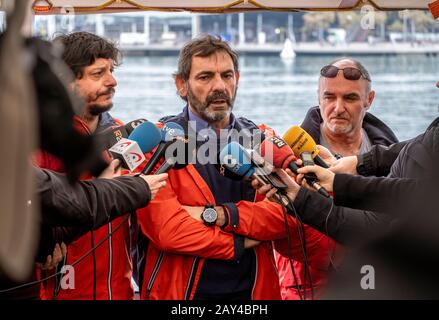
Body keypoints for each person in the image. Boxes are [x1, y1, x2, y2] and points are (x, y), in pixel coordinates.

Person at [135, 35, 334, 300]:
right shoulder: (157, 144)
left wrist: (218, 215)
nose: (220, 86)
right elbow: (168, 230)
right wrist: (242, 241)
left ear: (237, 79)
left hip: (254, 295)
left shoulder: (263, 139)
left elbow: (285, 215)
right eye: (205, 77)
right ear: (181, 85)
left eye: (227, 75)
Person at [275, 58, 398, 299]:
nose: (338, 107)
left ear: (369, 99)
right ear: (318, 98)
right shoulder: (287, 159)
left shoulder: (392, 156)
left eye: (350, 98)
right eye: (329, 97)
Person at [33, 32, 134, 300]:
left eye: (111, 71)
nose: (112, 81)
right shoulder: (36, 144)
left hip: (118, 292)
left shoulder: (125, 135)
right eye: (98, 73)